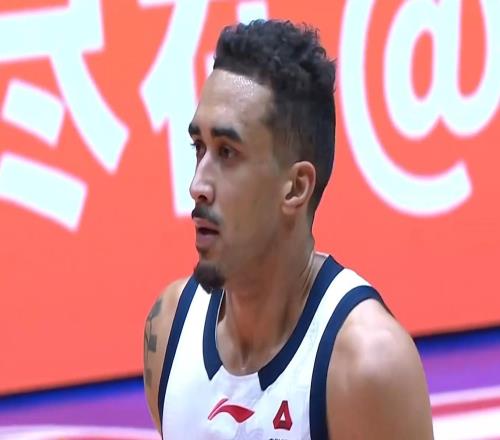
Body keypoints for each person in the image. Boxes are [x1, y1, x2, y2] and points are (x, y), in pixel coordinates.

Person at [143, 19, 434, 439]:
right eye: (199, 148)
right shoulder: (169, 328)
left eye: (227, 153)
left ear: (296, 188)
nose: (197, 185)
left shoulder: (366, 367)